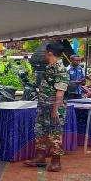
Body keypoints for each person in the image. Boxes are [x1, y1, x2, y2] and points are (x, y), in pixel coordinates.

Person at [24, 42, 68, 172]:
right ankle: (40, 157)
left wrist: (55, 110)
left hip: (54, 108)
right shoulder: (50, 67)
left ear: (50, 53)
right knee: (40, 131)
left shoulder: (60, 69)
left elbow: (60, 92)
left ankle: (56, 162)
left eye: (45, 52)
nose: (43, 54)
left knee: (55, 134)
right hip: (44, 107)